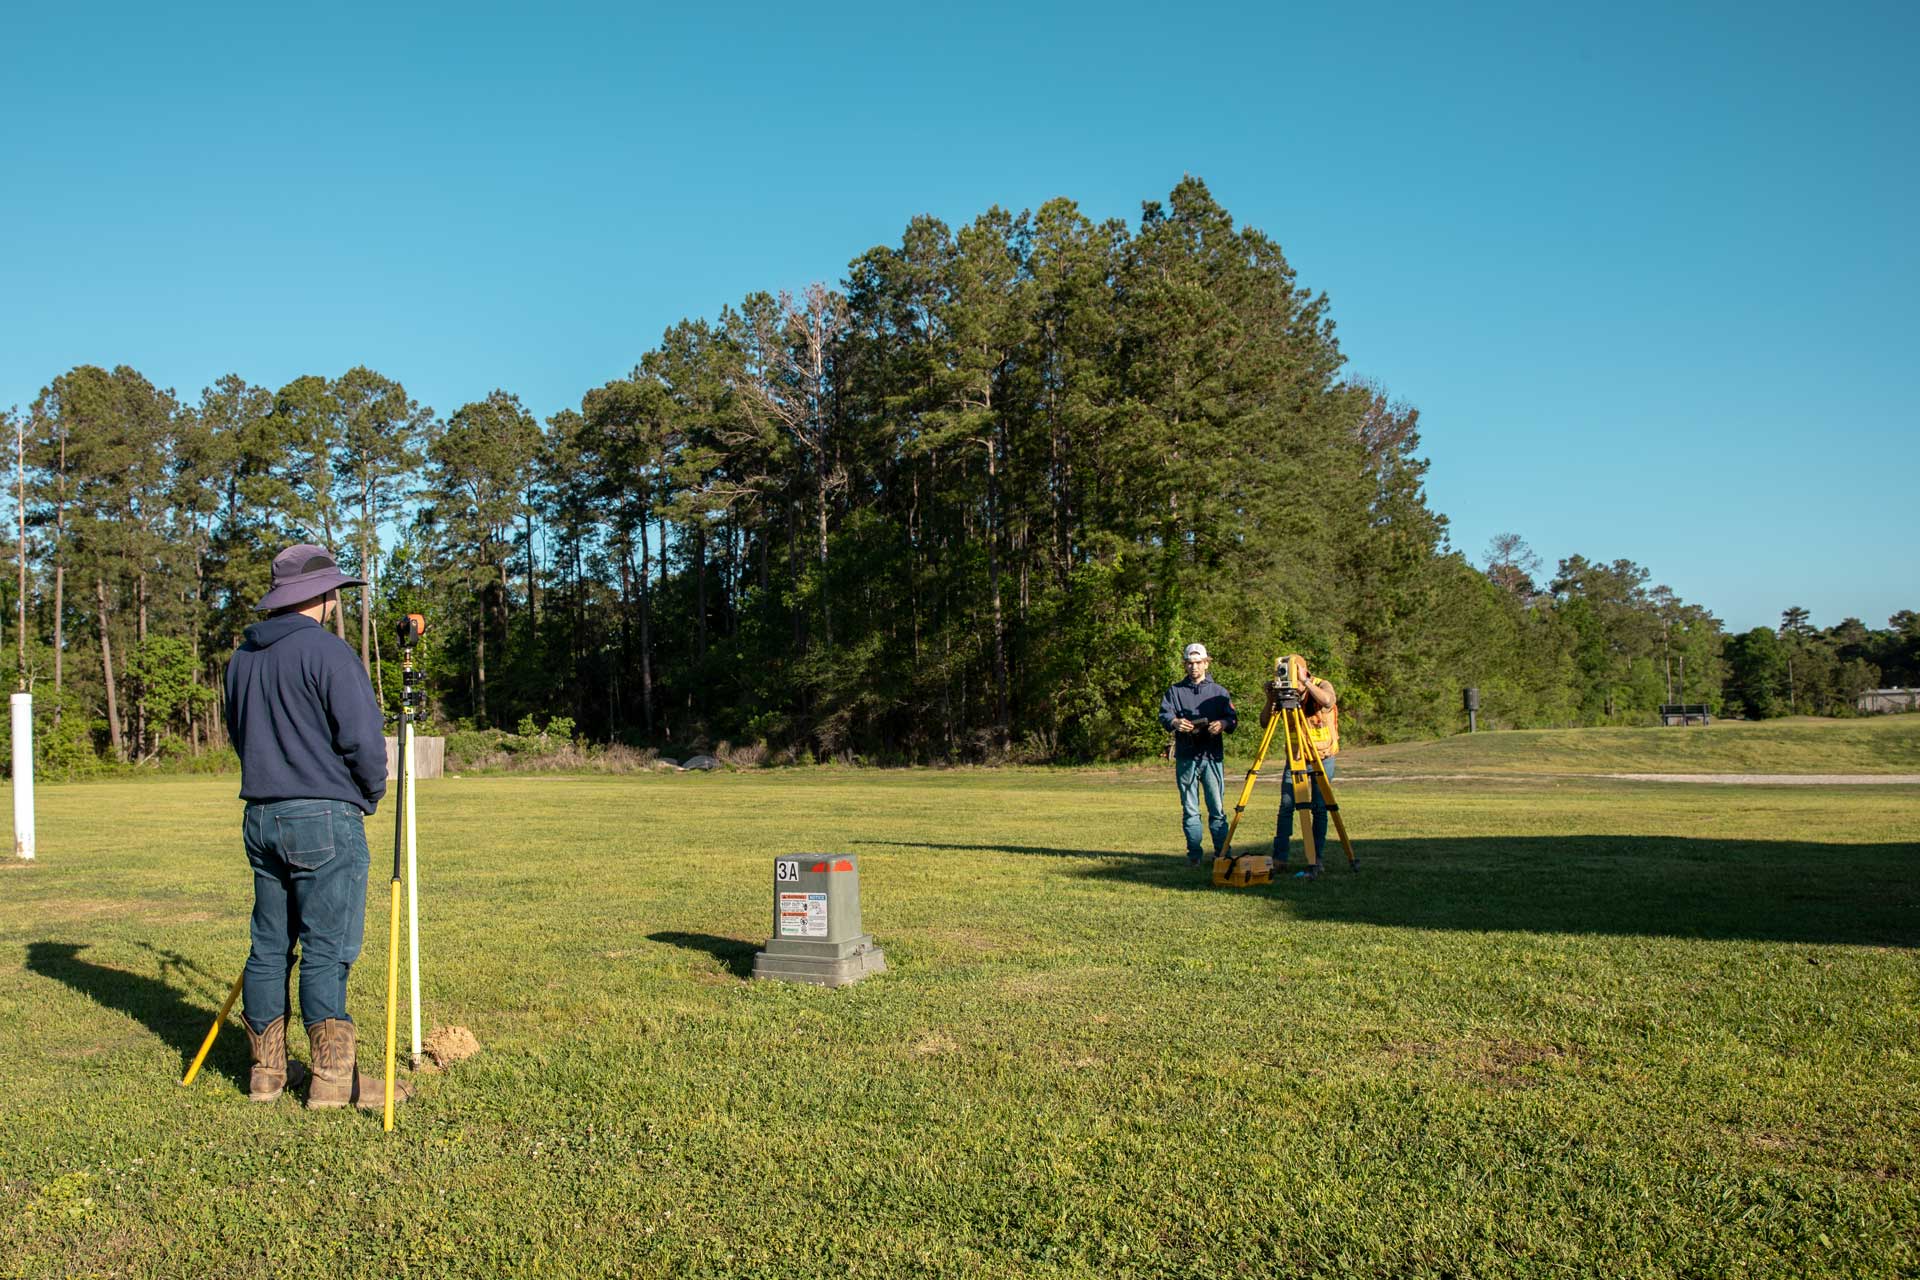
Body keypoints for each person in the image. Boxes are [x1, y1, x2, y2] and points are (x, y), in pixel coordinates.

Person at [225, 543, 403, 1109]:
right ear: (321, 597)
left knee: (269, 947)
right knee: (327, 948)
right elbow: (364, 742)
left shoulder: (241, 659)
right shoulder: (328, 654)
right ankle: (332, 1082)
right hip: (324, 815)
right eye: (333, 594)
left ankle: (266, 1074)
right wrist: (369, 792)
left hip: (260, 816)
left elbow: (239, 734)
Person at [1158, 642, 1238, 866]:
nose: (1194, 667)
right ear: (1185, 664)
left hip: (1212, 757)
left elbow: (1233, 720)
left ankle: (1222, 854)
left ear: (1206, 663)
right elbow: (1164, 716)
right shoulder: (1174, 691)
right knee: (1190, 809)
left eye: (1198, 663)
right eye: (1190, 663)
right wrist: (1175, 722)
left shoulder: (1220, 692)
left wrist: (1222, 723)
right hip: (1186, 757)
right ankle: (1194, 856)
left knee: (1217, 809)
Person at [1264, 653, 1339, 879]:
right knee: (1286, 806)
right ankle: (1279, 859)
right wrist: (1271, 699)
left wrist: (1304, 681)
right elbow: (1264, 723)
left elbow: (1328, 701)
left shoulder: (1321, 685)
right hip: (1296, 757)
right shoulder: (1283, 693)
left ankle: (1316, 859)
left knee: (1319, 807)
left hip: (1322, 757)